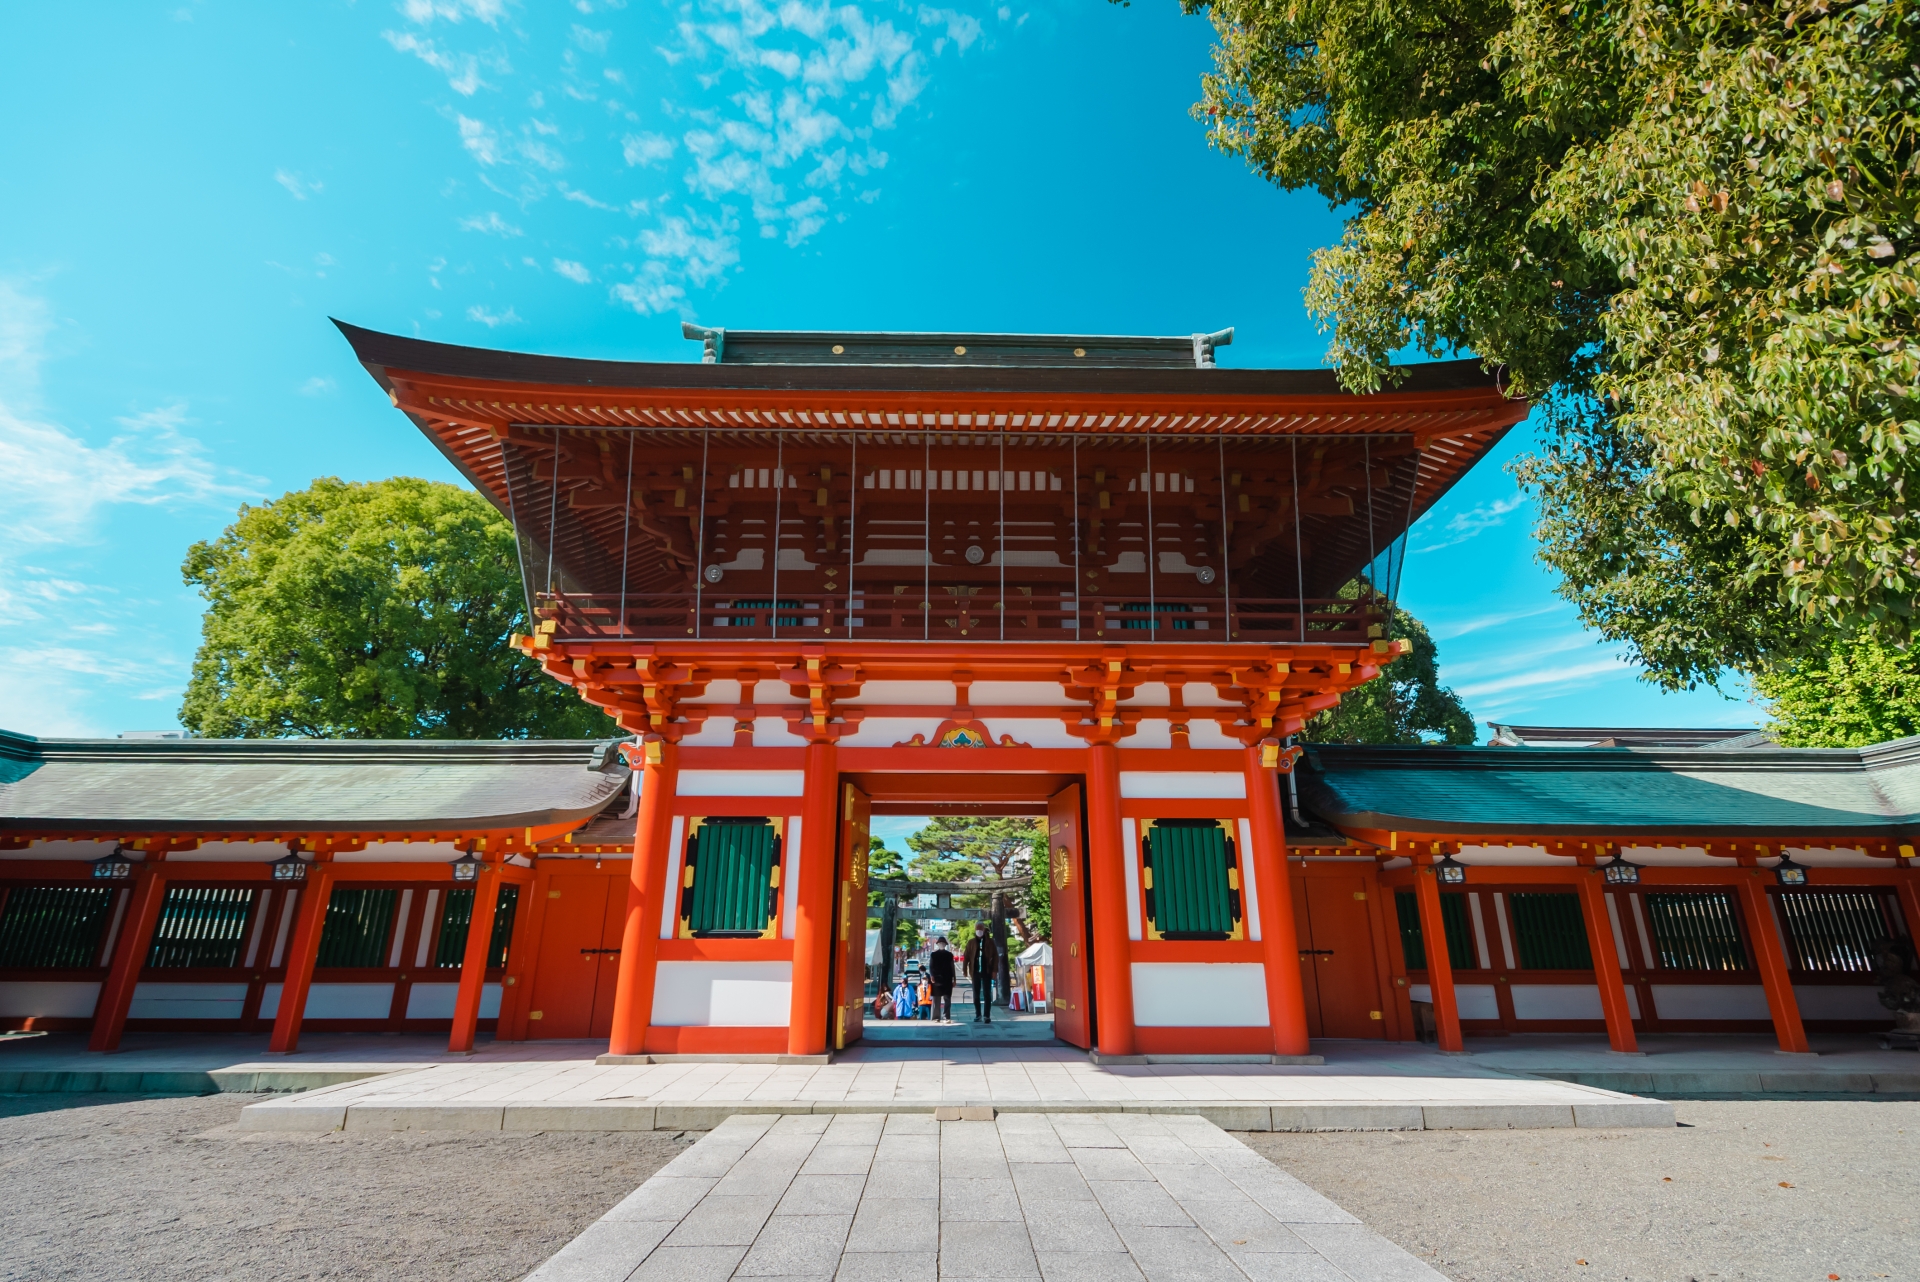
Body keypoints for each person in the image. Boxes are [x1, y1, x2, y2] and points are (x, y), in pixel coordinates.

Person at [965, 928, 999, 1024]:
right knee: (976, 994)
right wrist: (965, 970)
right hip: (975, 971)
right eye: (977, 929)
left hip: (987, 971)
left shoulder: (990, 942)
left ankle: (986, 1015)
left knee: (987, 994)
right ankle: (978, 1014)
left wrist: (994, 970)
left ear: (984, 930)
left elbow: (996, 956)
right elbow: (966, 956)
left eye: (981, 929)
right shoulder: (971, 942)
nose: (979, 931)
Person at [926, 936, 956, 1024]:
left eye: (943, 943)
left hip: (947, 979)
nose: (941, 944)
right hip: (936, 979)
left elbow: (952, 967)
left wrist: (954, 979)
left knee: (947, 999)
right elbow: (931, 967)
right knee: (936, 999)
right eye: (940, 943)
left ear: (946, 945)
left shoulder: (949, 955)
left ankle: (947, 1016)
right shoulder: (933, 955)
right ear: (938, 944)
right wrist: (931, 976)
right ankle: (936, 1017)